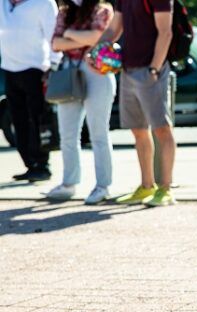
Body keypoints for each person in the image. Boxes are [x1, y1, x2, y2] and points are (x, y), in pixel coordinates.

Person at [91, 0, 177, 206]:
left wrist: (154, 69)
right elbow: (114, 28)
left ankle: (165, 189)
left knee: (162, 129)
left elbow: (166, 33)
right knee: (138, 130)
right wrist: (95, 52)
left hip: (151, 71)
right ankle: (147, 187)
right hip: (127, 70)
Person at [44, 0, 116, 204]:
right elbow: (56, 43)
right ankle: (69, 183)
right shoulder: (65, 12)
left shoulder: (103, 9)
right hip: (69, 72)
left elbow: (97, 37)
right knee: (67, 134)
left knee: (98, 133)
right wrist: (82, 39)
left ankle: (103, 186)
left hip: (97, 72)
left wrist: (69, 34)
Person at [0, 0, 61, 182]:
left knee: (38, 119)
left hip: (36, 69)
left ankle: (42, 165)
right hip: (9, 68)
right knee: (18, 121)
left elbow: (54, 35)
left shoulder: (44, 3)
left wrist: (54, 65)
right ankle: (29, 164)